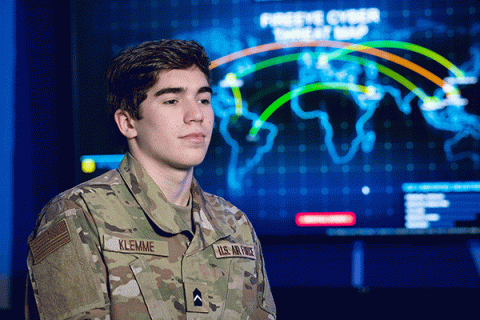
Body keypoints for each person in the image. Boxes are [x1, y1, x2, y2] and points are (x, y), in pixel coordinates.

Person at [26, 39, 276, 320]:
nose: (196, 115)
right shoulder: (78, 215)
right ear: (128, 122)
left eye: (204, 100)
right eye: (172, 100)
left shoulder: (235, 224)